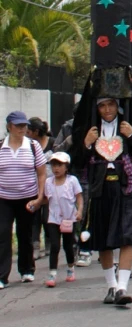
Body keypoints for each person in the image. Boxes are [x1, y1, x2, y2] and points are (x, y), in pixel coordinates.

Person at [73, 97, 132, 305]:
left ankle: (123, 287)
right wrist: (86, 143)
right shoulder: (91, 130)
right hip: (100, 189)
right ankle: (111, 286)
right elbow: (77, 162)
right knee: (103, 239)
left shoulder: (127, 128)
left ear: (118, 106)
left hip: (125, 187)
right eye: (103, 106)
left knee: (127, 236)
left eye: (111, 105)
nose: (107, 110)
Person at [0, 111, 46, 288]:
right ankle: (2, 276)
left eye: (24, 126)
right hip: (4, 198)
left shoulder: (33, 146)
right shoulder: (1, 147)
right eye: (18, 126)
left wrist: (40, 196)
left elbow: (41, 174)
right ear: (9, 127)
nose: (22, 129)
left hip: (28, 197)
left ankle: (27, 269)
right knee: (3, 234)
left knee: (25, 233)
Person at [42, 151, 83, 287]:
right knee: (54, 245)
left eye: (59, 165)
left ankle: (70, 268)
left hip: (68, 218)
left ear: (66, 167)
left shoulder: (72, 181)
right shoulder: (48, 182)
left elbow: (79, 197)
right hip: (53, 218)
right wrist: (35, 204)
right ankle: (52, 273)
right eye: (53, 165)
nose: (56, 168)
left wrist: (80, 211)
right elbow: (45, 199)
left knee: (67, 246)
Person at [27, 117, 55, 260]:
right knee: (34, 217)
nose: (26, 133)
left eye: (29, 131)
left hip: (51, 185)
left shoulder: (52, 143)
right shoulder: (29, 145)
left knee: (47, 217)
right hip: (34, 184)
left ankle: (50, 244)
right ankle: (35, 246)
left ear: (36, 131)